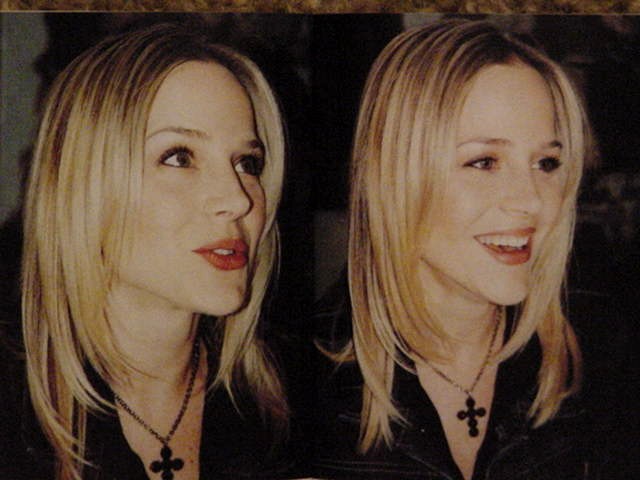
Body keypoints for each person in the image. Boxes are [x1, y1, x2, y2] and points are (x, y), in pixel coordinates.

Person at [312, 19, 630, 479]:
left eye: (547, 163)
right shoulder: (301, 384)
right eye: (484, 161)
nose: (531, 200)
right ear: (395, 175)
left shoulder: (601, 352)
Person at [20, 22, 291, 480]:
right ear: (84, 184)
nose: (238, 199)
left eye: (248, 163)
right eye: (179, 157)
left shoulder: (291, 405)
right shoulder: (14, 413)